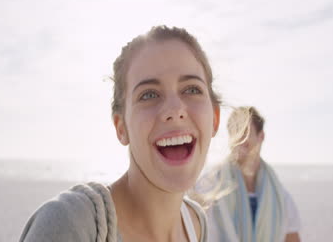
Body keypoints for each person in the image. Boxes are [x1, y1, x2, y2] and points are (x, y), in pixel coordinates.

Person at [19, 26, 221, 242]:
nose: (174, 110)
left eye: (191, 89)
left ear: (215, 119)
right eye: (149, 94)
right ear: (121, 127)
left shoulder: (196, 223)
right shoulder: (70, 224)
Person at [192, 106, 301, 242]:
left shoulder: (280, 197)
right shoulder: (208, 187)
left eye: (244, 131)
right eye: (233, 132)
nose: (238, 139)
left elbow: (292, 238)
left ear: (261, 136)